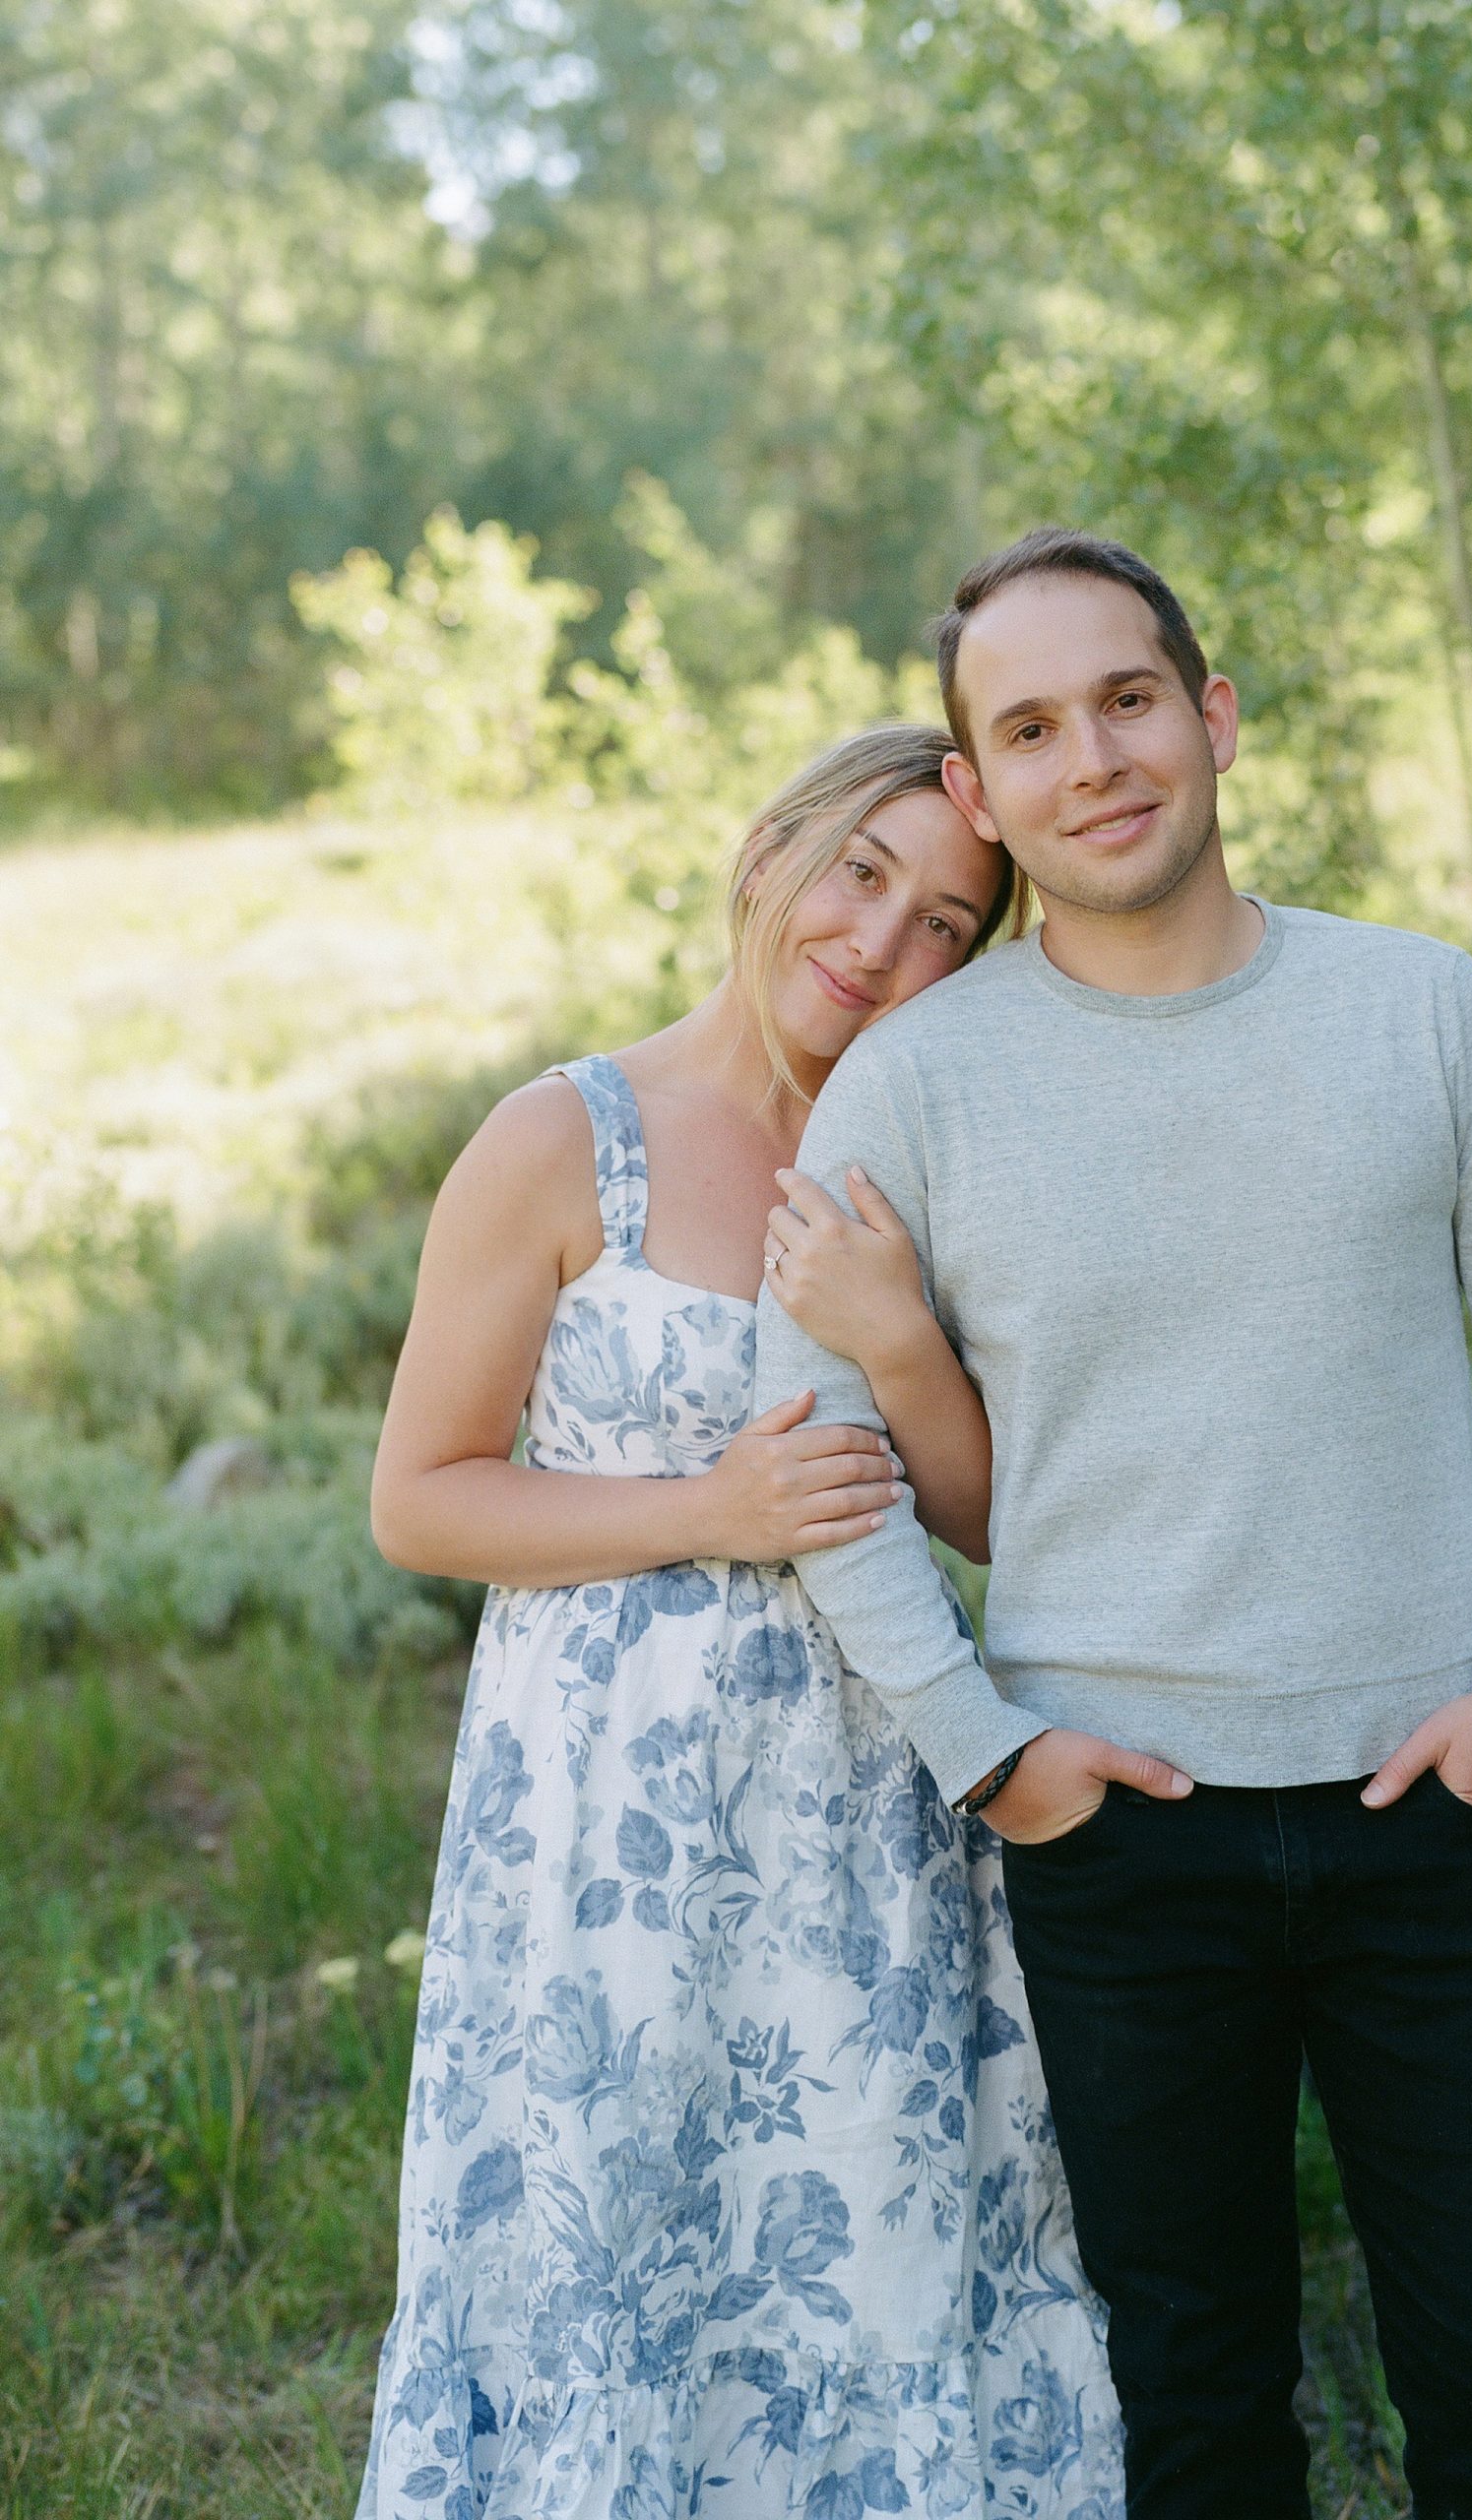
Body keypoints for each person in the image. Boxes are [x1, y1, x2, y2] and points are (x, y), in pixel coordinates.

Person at [754, 531, 1472, 2519]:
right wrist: (981, 1749)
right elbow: (811, 1450)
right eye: (1032, 726)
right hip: (1116, 1837)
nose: (1096, 757)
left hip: (1433, 1812)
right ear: (978, 791)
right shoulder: (906, 1087)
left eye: (1128, 697)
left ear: (1212, 715)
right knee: (1197, 2395)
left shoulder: (1423, 1007)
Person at [354, 724, 1124, 2520]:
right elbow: (420, 1495)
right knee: (619, 2210)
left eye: (947, 923)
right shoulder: (564, 1141)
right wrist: (711, 1514)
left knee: (866, 2196)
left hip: (868, 1795)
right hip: (606, 1818)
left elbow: (995, 1517)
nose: (881, 943)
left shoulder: (919, 1163)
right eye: (861, 873)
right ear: (772, 851)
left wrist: (901, 1331)